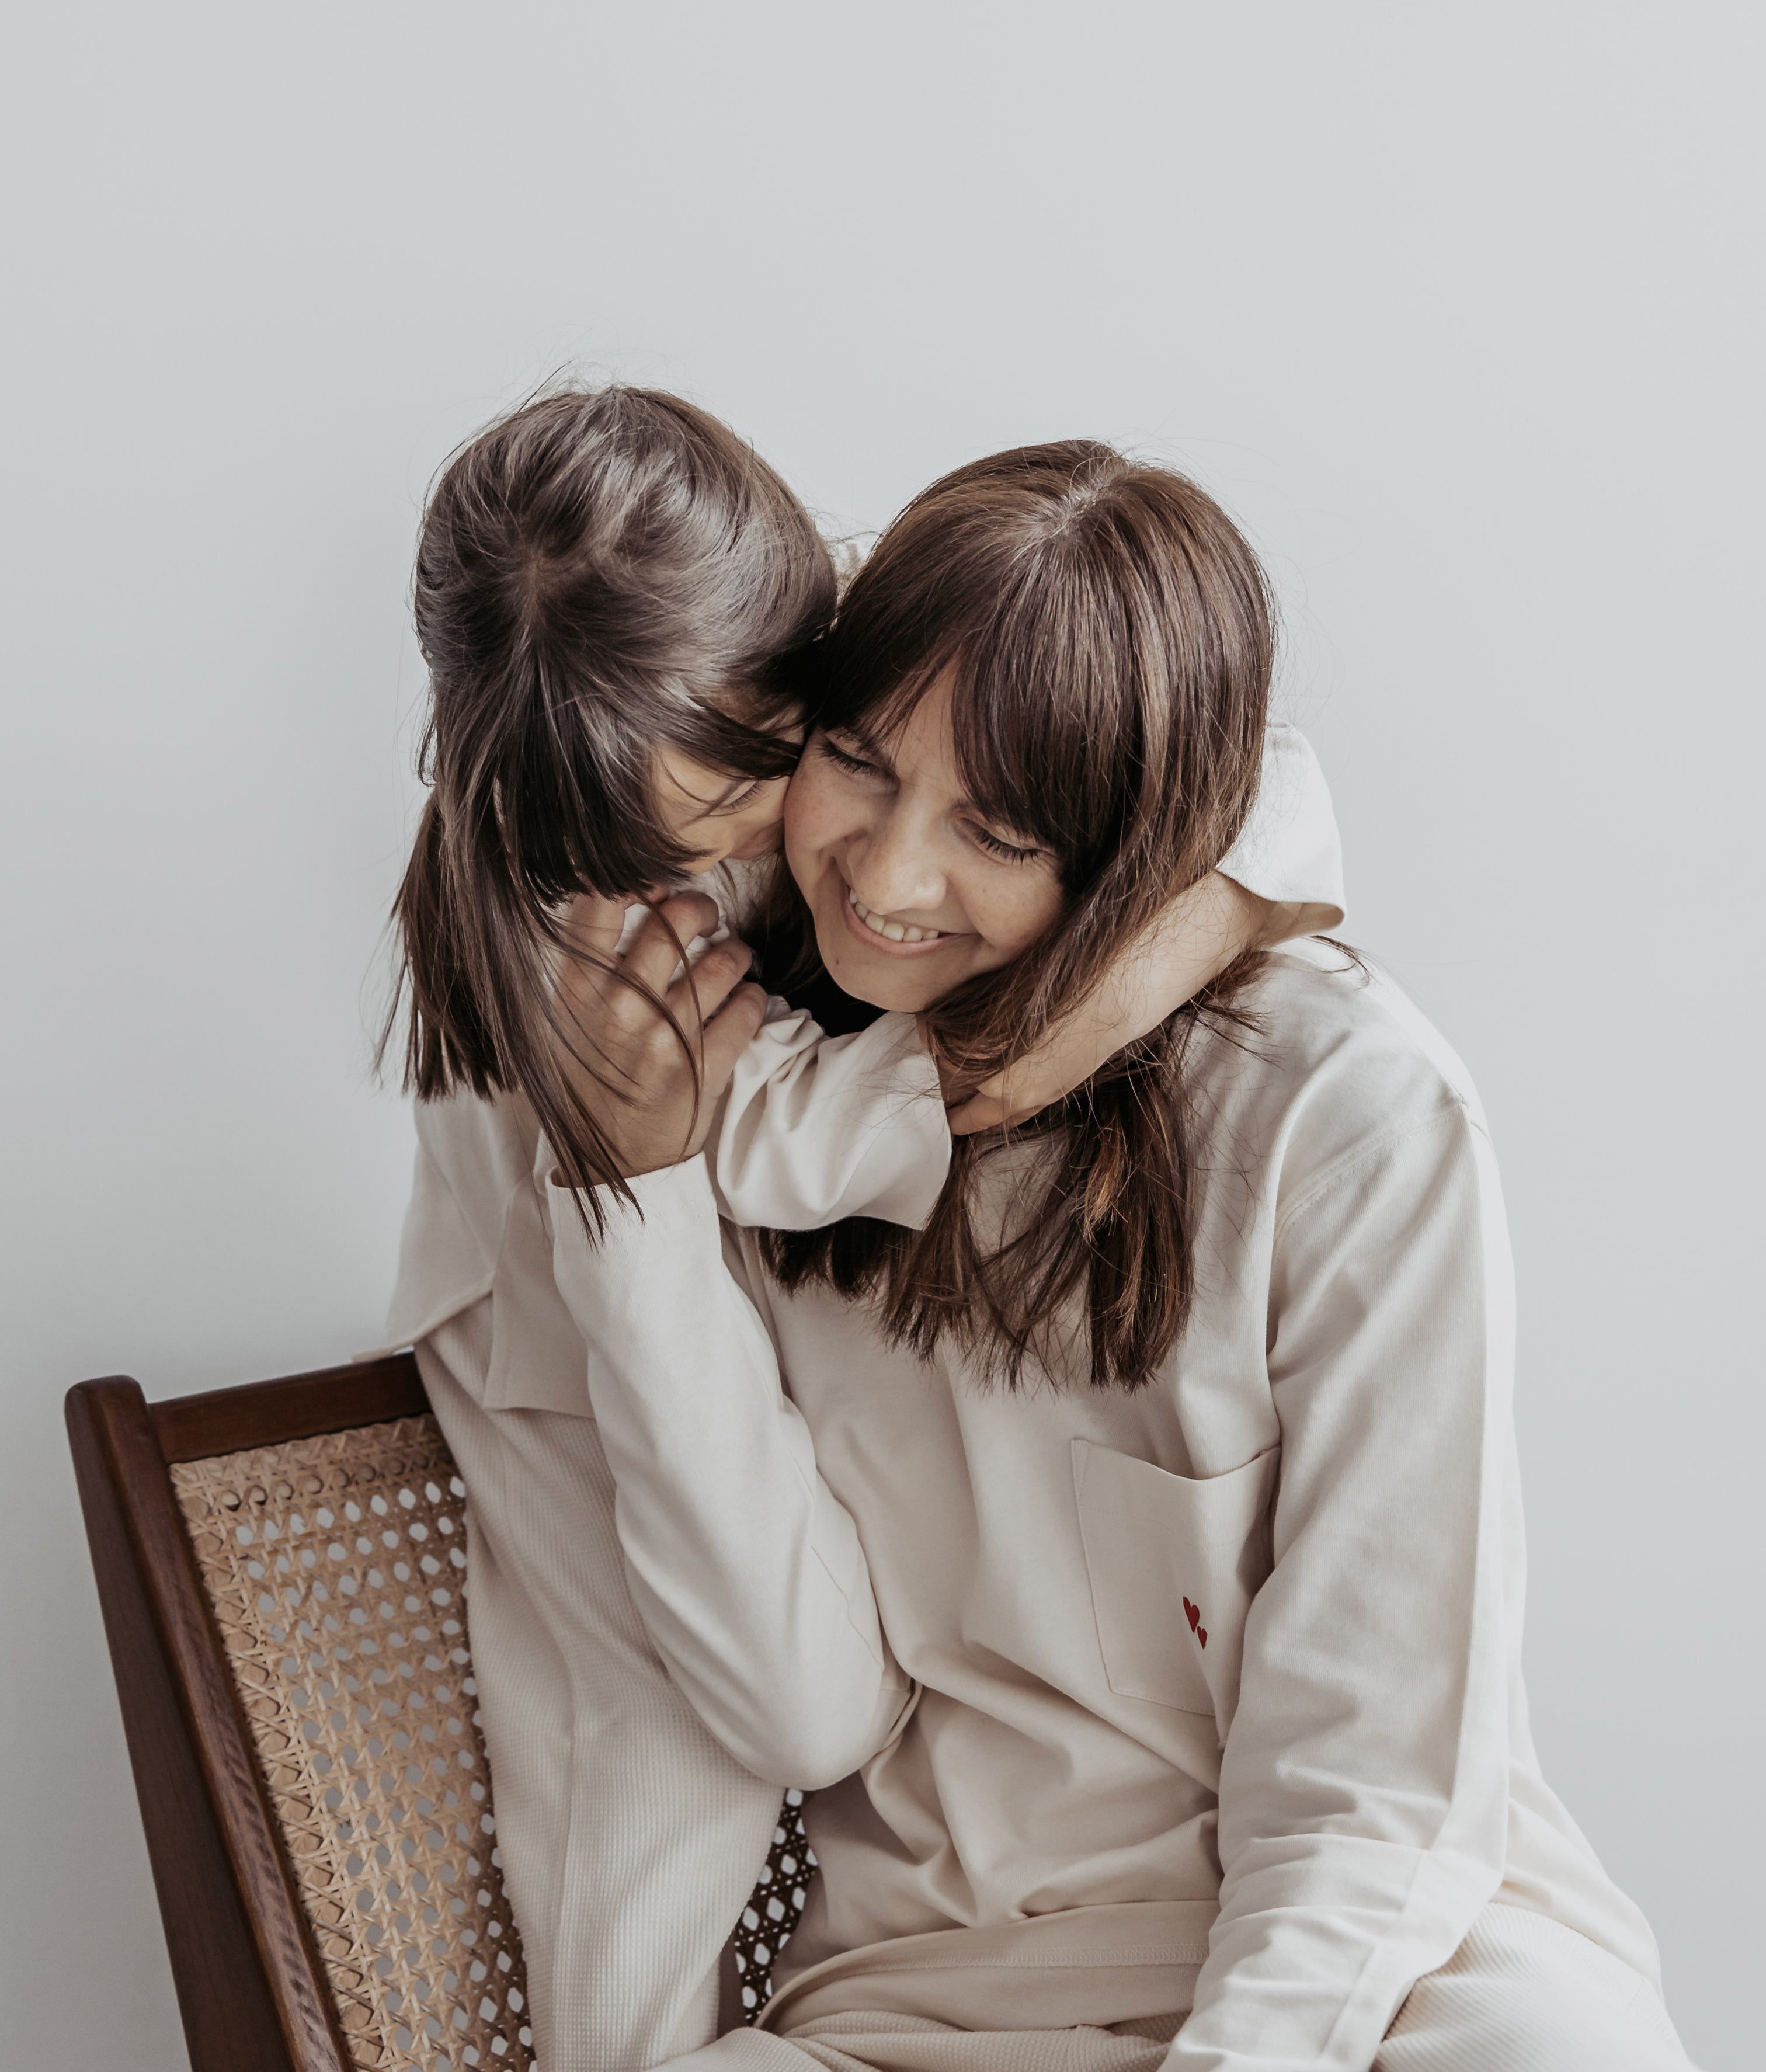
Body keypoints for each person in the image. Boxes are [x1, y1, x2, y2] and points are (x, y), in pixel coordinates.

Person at [531, 443, 1697, 2070]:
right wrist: (638, 1192)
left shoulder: (1341, 1116)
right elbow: (799, 1704)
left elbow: (1370, 1781)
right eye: (859, 761)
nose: (888, 875)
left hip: (1386, 1960)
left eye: (998, 831)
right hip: (938, 1977)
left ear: (1144, 855)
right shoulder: (729, 1062)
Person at [374, 387, 1347, 2071]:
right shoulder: (588, 945)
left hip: (733, 1254)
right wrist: (999, 1058)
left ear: (806, 652)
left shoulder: (848, 651)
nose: (745, 883)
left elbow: (1236, 762)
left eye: (754, 807)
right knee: (641, 1815)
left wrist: (1150, 951)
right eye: (654, 861)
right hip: (568, 1272)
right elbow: (776, 1127)